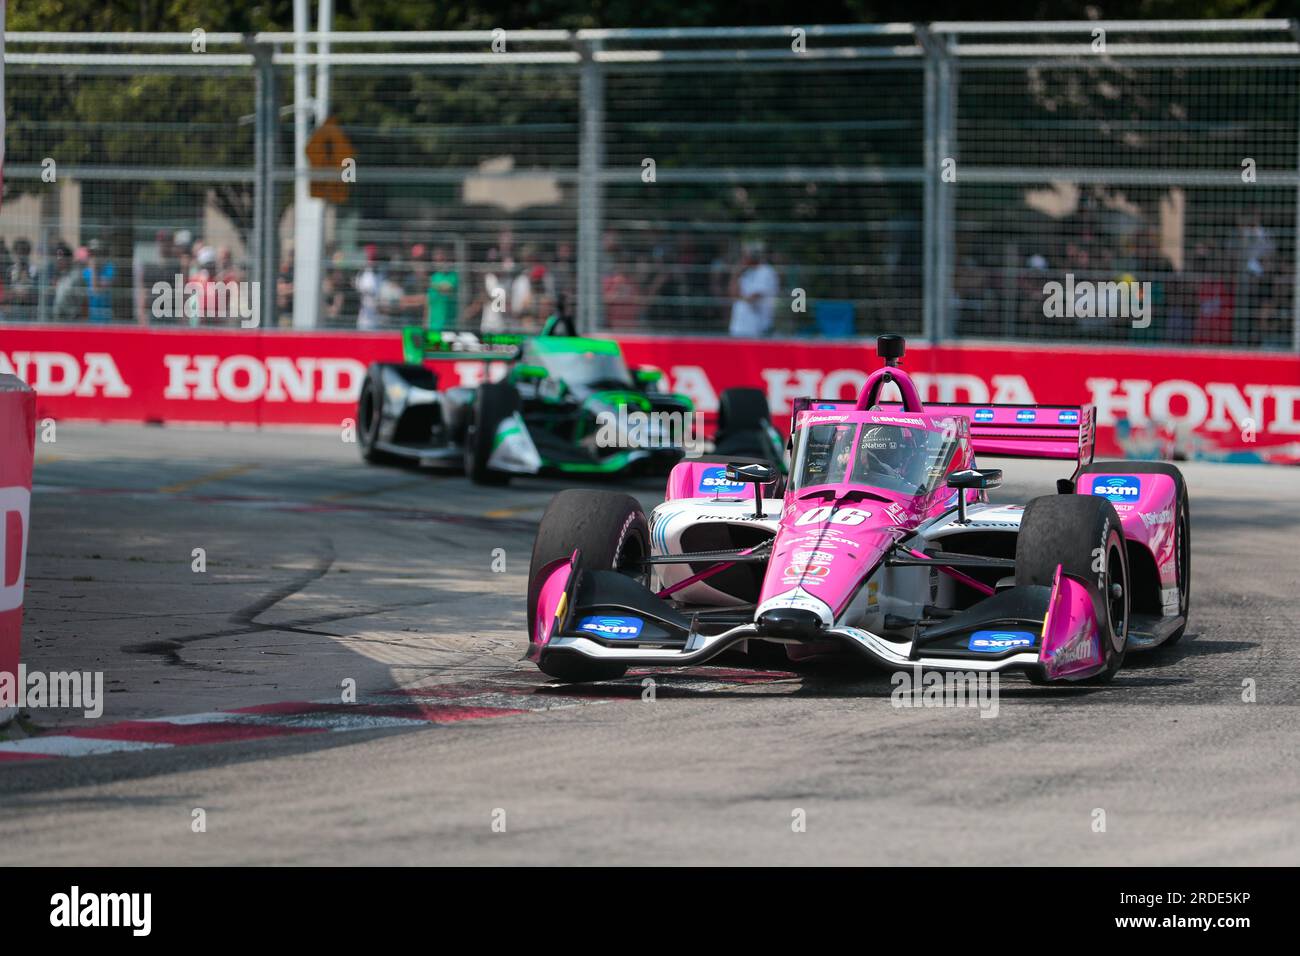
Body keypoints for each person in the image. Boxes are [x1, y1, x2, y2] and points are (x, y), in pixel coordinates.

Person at [729, 242, 779, 337]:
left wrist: (740, 297)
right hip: (739, 327)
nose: (742, 259)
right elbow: (732, 295)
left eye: (745, 256)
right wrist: (735, 275)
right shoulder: (746, 272)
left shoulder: (766, 272)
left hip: (756, 327)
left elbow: (753, 298)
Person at [83, 239, 116, 323]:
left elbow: (97, 290)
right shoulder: (86, 272)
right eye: (92, 254)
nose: (94, 257)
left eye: (97, 253)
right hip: (90, 319)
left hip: (105, 318)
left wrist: (94, 269)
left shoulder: (109, 268)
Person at [427, 246, 459, 331]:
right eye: (436, 261)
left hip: (449, 326)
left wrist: (432, 284)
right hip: (433, 326)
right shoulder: (434, 277)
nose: (439, 263)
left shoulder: (453, 276)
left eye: (441, 260)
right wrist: (426, 323)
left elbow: (447, 289)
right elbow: (429, 303)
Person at [7, 239, 38, 322]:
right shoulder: (11, 270)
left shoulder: (34, 270)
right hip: (13, 307)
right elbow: (8, 290)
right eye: (19, 252)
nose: (21, 255)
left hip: (30, 308)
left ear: (28, 253)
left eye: (24, 252)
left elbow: (36, 291)